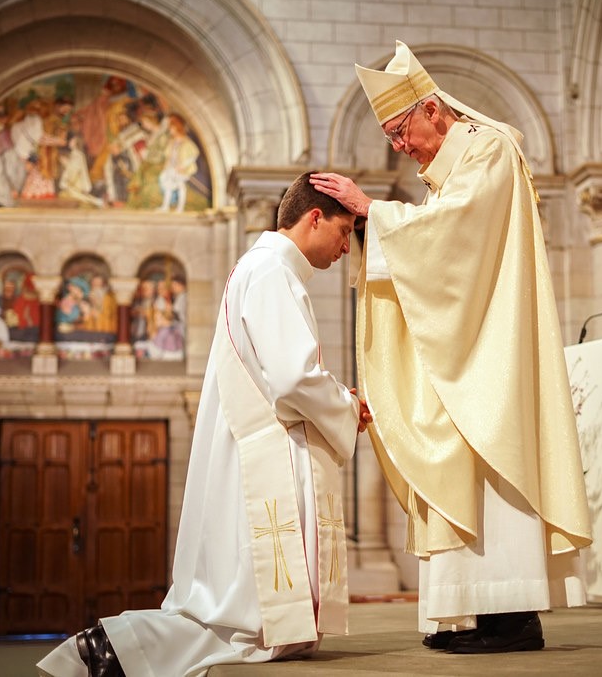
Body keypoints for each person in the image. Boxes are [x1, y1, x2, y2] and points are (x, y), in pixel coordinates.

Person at [310, 40, 591, 654]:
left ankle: (512, 616)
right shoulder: (451, 173)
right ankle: (480, 611)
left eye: (400, 130)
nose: (399, 147)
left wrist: (371, 212)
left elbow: (456, 238)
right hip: (466, 344)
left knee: (488, 456)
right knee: (457, 459)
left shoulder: (489, 149)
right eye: (388, 138)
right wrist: (375, 224)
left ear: (432, 109)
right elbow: (437, 252)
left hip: (491, 352)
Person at [36, 171, 371, 677]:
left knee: (246, 622)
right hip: (269, 458)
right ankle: (109, 646)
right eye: (344, 232)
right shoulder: (274, 272)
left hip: (259, 449)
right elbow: (292, 377)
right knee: (243, 624)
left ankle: (112, 649)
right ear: (314, 217)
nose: (346, 248)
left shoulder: (260, 269)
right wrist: (346, 404)